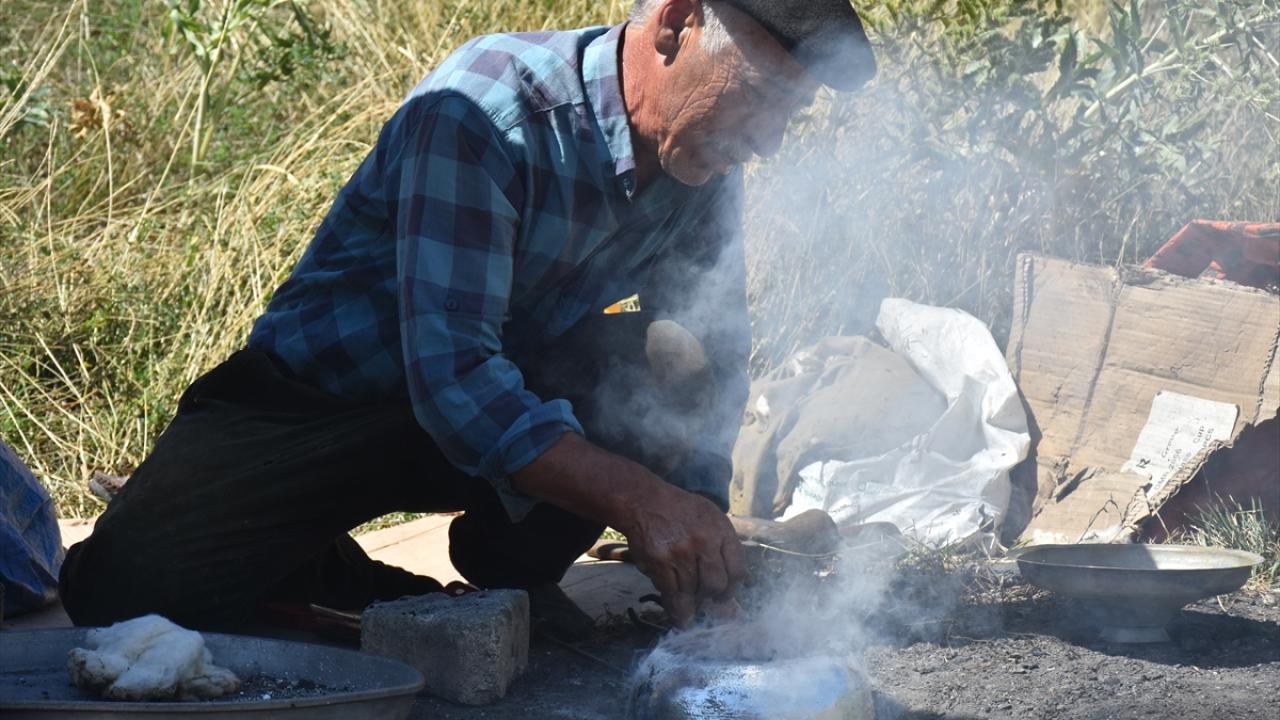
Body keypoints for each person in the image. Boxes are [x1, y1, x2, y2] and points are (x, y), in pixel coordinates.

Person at [59, 0, 875, 633]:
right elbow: (450, 373)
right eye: (760, 100)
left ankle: (505, 567)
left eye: (787, 117)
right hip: (325, 408)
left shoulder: (699, 153)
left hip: (499, 400)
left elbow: (713, 344)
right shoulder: (485, 112)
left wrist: (700, 524)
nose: (766, 143)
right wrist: (641, 501)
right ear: (675, 24)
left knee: (674, 353)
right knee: (120, 590)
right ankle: (317, 558)